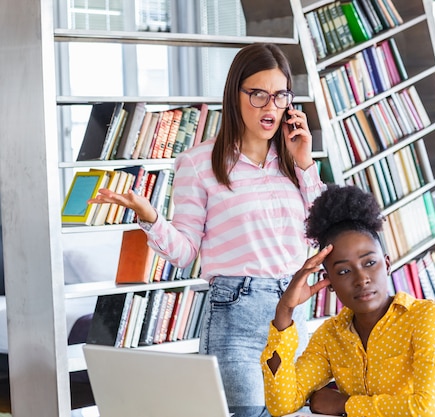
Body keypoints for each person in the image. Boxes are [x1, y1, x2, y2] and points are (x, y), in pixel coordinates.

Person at [88, 43, 325, 417]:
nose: (270, 108)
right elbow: (184, 254)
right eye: (258, 94)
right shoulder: (198, 163)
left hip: (294, 317)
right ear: (236, 95)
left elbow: (320, 233)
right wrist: (150, 218)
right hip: (237, 319)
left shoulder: (295, 160)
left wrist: (307, 165)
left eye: (280, 96)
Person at [260, 184, 435, 417]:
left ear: (387, 264)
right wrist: (285, 309)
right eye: (344, 272)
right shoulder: (330, 336)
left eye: (369, 263)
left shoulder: (427, 317)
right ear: (329, 282)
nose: (361, 279)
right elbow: (281, 403)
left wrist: (344, 404)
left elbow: (429, 411)